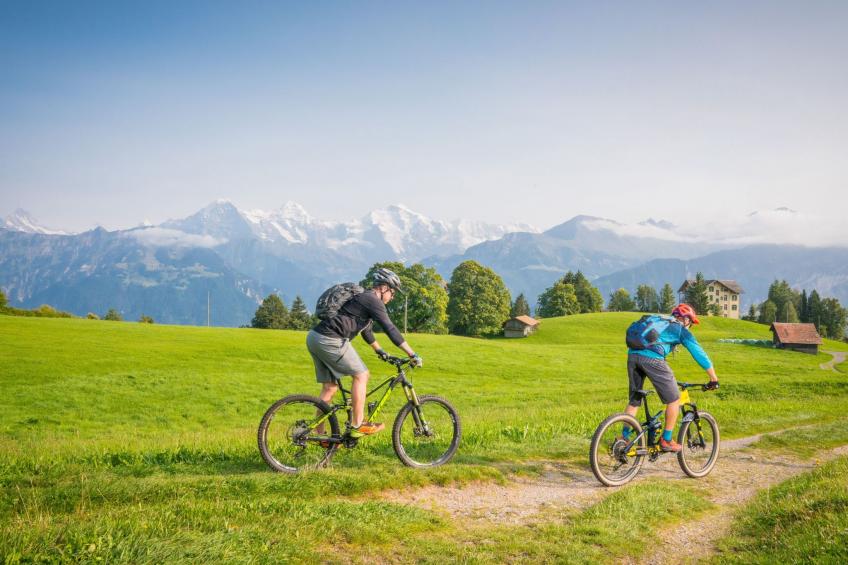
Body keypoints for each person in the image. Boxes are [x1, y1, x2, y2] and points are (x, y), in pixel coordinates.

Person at [306, 268, 421, 437]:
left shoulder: (364, 299)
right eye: (393, 292)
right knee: (362, 375)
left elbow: (366, 331)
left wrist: (380, 351)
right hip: (331, 339)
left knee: (330, 388)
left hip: (315, 337)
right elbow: (390, 328)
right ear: (384, 288)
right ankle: (357, 425)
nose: (393, 297)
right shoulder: (373, 300)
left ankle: (319, 433)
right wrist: (412, 354)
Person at [624, 304, 719, 452]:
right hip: (652, 359)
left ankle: (623, 439)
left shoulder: (659, 321)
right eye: (691, 322)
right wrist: (713, 377)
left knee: (635, 400)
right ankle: (666, 440)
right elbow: (699, 353)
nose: (690, 326)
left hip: (632, 355)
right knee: (675, 399)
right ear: (685, 319)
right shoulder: (680, 329)